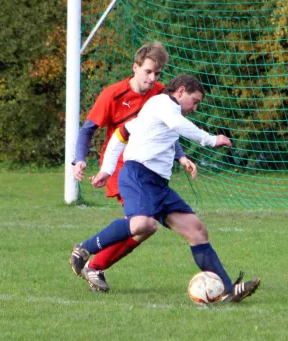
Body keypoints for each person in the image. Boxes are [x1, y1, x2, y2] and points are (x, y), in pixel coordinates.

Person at [70, 74, 260, 302]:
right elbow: (176, 125)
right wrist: (211, 139)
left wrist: (108, 170)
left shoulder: (162, 112)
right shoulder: (162, 104)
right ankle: (84, 248)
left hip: (158, 184)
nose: (195, 108)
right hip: (138, 174)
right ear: (180, 91)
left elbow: (121, 134)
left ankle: (228, 291)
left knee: (196, 230)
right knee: (143, 223)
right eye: (195, 100)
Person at [70, 42, 197, 292]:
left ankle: (95, 265)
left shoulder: (162, 94)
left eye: (158, 74)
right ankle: (92, 261)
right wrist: (79, 159)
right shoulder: (112, 94)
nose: (153, 78)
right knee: (142, 224)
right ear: (135, 68)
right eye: (148, 71)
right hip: (121, 166)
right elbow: (87, 130)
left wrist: (180, 156)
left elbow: (168, 130)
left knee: (144, 227)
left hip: (148, 168)